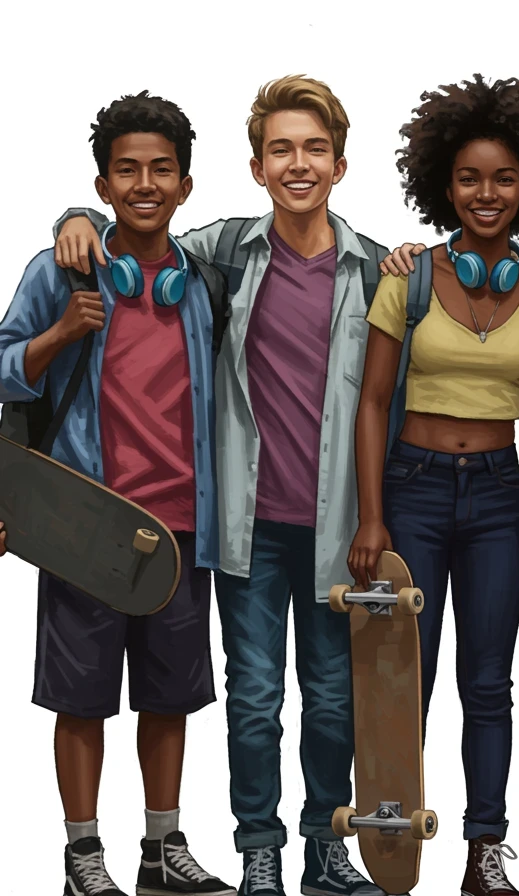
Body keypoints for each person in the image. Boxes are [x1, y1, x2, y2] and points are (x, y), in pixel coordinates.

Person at [51, 75, 390, 896]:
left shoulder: (378, 269)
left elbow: (388, 400)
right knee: (254, 701)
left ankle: (325, 845)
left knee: (335, 700)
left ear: (340, 165)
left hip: (338, 525)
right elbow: (138, 230)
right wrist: (75, 219)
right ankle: (259, 851)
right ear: (256, 165)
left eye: (314, 149)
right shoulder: (222, 254)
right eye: (281, 149)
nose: (298, 163)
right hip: (242, 525)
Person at [0, 91, 234, 896]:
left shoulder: (202, 280)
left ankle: (161, 849)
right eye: (126, 169)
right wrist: (61, 333)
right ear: (102, 186)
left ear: (186, 185)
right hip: (84, 522)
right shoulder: (59, 268)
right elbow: (1, 365)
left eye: (160, 169)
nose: (144, 183)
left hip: (179, 528)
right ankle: (81, 854)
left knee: (170, 697)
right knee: (83, 699)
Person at [346, 73, 519, 896]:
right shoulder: (406, 278)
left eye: (504, 179)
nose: (487, 193)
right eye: (471, 178)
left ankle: (485, 851)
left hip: (496, 497)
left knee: (488, 681)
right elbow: (373, 400)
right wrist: (372, 517)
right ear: (444, 183)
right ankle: (395, 837)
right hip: (411, 488)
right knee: (403, 680)